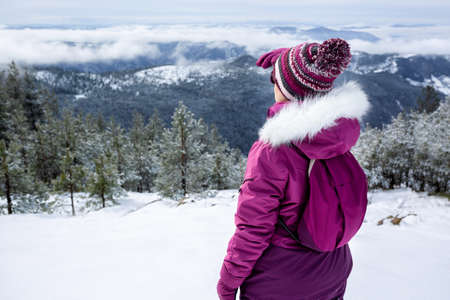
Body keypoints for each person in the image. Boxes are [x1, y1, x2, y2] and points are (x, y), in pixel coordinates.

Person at [217, 38, 370, 300]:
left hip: (282, 279)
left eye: (275, 80)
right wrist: (286, 64)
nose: (273, 84)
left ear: (289, 90)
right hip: (333, 267)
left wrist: (228, 283)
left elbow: (253, 229)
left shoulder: (272, 151)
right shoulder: (337, 135)